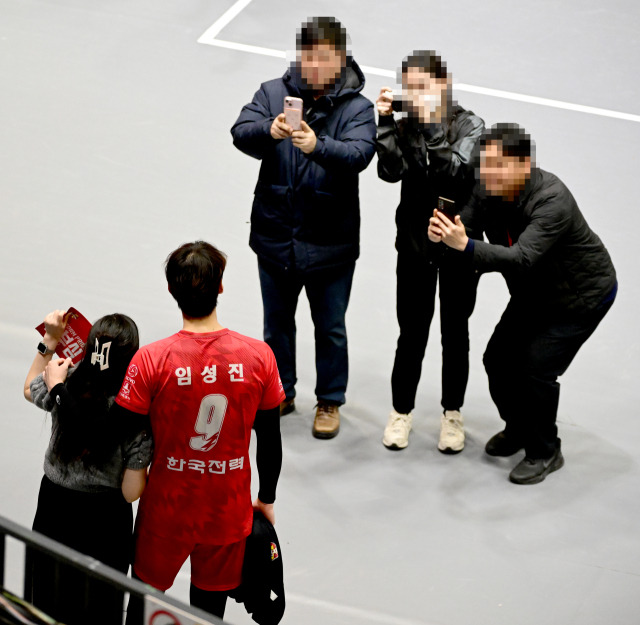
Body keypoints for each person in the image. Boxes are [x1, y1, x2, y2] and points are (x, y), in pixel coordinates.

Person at [429, 123, 617, 484]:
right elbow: (463, 229)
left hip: (580, 297)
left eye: (499, 167)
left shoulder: (552, 199)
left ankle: (545, 450)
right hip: (534, 293)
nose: (489, 175)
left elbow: (521, 258)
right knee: (496, 360)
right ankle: (518, 428)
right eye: (486, 165)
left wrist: (464, 246)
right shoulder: (488, 188)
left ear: (524, 164)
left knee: (535, 369)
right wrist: (442, 236)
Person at [118, 241, 284, 622]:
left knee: (142, 602)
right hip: (226, 512)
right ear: (220, 287)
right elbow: (270, 438)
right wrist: (267, 498)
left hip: (165, 512)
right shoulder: (260, 357)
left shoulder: (152, 360)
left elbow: (124, 428)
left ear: (173, 291)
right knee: (208, 613)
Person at [231, 16, 376, 439]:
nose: (314, 65)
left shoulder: (357, 108)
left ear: (341, 59)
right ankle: (281, 391)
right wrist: (268, 130)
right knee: (276, 325)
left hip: (330, 244)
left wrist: (318, 146)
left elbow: (360, 153)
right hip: (275, 236)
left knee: (330, 328)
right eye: (308, 55)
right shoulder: (272, 93)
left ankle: (329, 400)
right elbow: (241, 131)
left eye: (324, 57)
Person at [376, 50, 484, 453]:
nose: (415, 94)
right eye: (411, 87)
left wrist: (432, 127)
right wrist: (386, 123)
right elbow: (389, 172)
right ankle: (401, 412)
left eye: (423, 87)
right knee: (412, 333)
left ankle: (451, 414)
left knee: (455, 335)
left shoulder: (472, 124)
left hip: (457, 247)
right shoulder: (406, 126)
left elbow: (454, 169)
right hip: (416, 247)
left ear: (443, 85)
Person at [23, 310, 151, 625]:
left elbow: (29, 389)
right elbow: (131, 491)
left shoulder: (66, 380)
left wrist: (50, 341)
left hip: (55, 507)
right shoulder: (135, 408)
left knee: (47, 599)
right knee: (99, 608)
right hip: (105, 521)